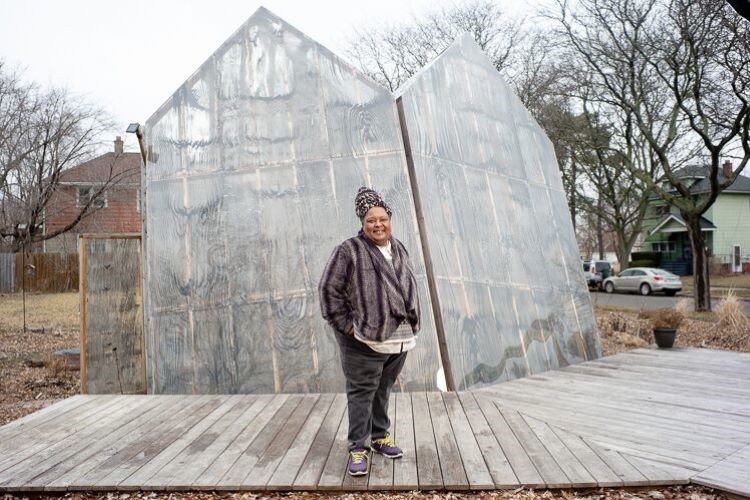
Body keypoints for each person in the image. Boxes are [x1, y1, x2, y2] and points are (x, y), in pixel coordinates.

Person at [318, 186, 420, 476]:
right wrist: (348, 328)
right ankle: (357, 448)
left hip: (399, 340)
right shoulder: (349, 250)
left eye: (382, 218)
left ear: (389, 219)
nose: (378, 224)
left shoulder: (398, 246)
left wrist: (412, 317)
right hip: (363, 341)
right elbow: (329, 290)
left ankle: (379, 437)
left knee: (382, 390)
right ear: (362, 223)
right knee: (361, 393)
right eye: (371, 220)